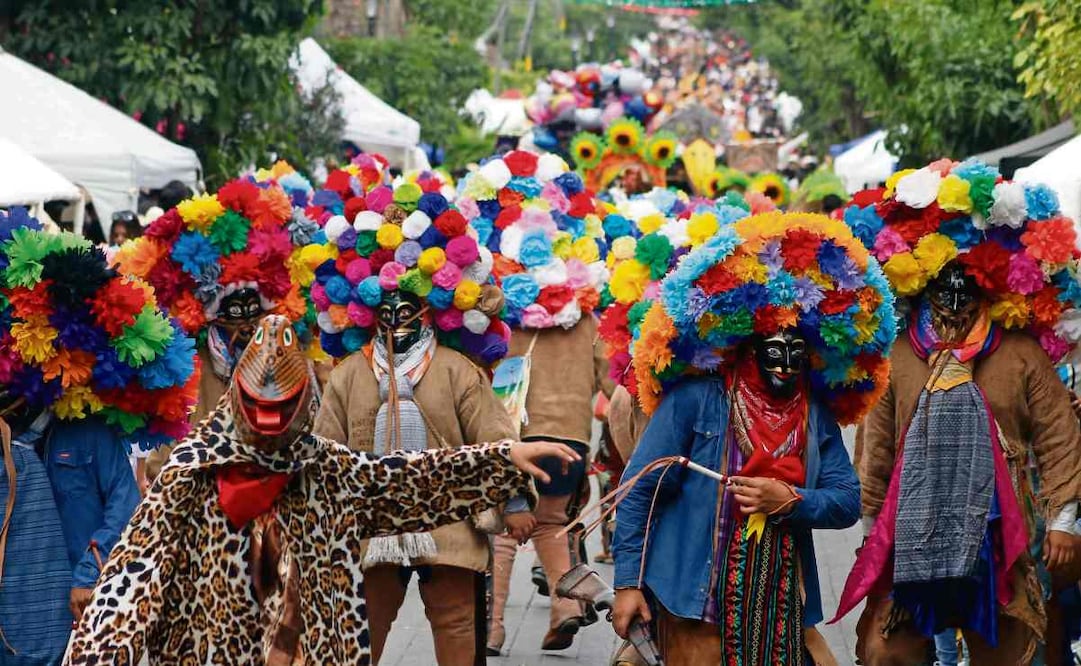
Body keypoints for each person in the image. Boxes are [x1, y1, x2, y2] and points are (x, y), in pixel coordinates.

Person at [66, 315, 579, 665]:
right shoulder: (191, 474)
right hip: (217, 651)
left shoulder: (323, 468)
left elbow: (405, 479)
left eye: (285, 409)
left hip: (312, 647)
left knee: (453, 623)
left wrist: (501, 457)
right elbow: (130, 583)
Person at [610, 212, 893, 665]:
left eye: (796, 351)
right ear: (747, 348)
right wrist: (627, 584)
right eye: (774, 351)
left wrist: (792, 500)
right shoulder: (696, 402)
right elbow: (639, 490)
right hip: (693, 601)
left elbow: (845, 499)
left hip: (781, 603)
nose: (785, 363)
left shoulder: (812, 413)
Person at [835, 162, 1081, 665]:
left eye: (966, 282)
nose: (954, 296)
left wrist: (1063, 520)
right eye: (942, 283)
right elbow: (876, 449)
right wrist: (868, 535)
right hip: (911, 533)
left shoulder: (1018, 353)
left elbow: (1059, 438)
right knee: (887, 653)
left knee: (1011, 654)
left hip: (1000, 535)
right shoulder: (899, 355)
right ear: (920, 284)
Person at [305, 182, 513, 666]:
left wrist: (515, 501)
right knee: (361, 626)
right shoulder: (350, 373)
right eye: (385, 313)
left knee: (457, 623)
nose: (395, 321)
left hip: (448, 521)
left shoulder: (457, 370)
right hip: (370, 524)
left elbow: (498, 440)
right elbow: (321, 450)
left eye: (406, 312)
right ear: (366, 313)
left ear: (429, 313)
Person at [0, 207, 200, 638]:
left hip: (80, 601)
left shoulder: (88, 431)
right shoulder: (7, 443)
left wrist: (88, 572)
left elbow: (125, 502)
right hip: (14, 606)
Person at [456, 151, 616, 654]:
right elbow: (611, 387)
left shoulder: (502, 320)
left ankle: (494, 628)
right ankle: (566, 607)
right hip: (567, 442)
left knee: (504, 532)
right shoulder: (586, 322)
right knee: (552, 523)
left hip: (515, 442)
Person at [120, 170, 319, 482]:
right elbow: (170, 435)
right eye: (233, 308)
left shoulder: (284, 354)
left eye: (252, 308)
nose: (243, 319)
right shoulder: (191, 363)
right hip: (204, 493)